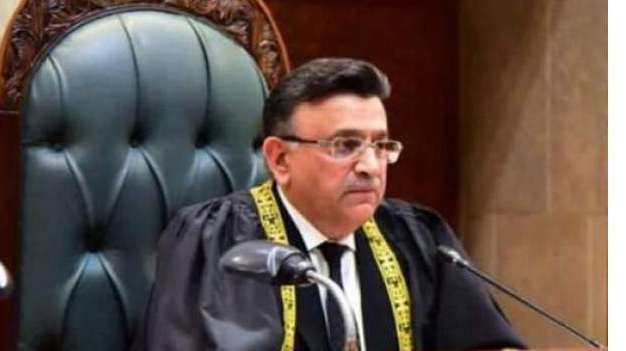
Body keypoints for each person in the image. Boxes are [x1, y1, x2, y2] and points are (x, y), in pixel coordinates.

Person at [131, 58, 526, 351]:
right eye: (345, 145)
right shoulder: (222, 241)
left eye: (381, 145)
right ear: (279, 159)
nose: (370, 166)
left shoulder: (418, 237)